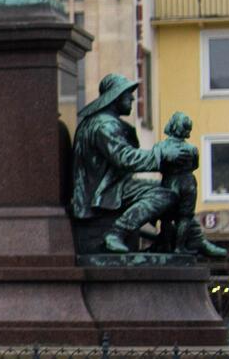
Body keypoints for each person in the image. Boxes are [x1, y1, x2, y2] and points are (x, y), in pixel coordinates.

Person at [71, 74, 183, 254]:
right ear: (115, 97)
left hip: (112, 187)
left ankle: (168, 240)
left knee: (174, 188)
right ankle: (116, 233)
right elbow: (125, 158)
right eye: (127, 94)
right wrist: (162, 155)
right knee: (165, 196)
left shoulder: (103, 122)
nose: (132, 98)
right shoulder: (104, 125)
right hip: (102, 193)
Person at [156, 112, 228, 259]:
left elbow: (157, 165)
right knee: (185, 217)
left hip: (169, 182)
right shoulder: (192, 149)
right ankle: (179, 247)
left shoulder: (162, 146)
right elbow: (195, 165)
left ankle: (167, 246)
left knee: (166, 217)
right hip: (188, 182)